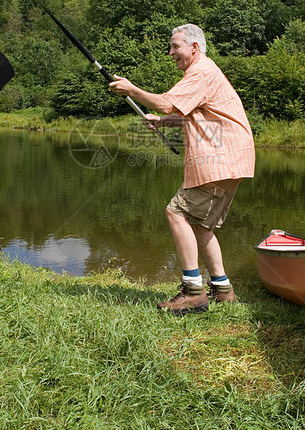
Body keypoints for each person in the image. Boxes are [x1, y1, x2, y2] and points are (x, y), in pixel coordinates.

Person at [109, 24, 255, 316]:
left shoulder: (200, 71)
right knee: (201, 225)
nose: (171, 52)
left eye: (175, 46)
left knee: (176, 213)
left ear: (194, 47)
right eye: (171, 46)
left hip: (220, 158)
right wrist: (164, 123)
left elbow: (166, 104)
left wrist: (132, 89)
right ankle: (223, 290)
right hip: (231, 159)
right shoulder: (206, 72)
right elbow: (196, 117)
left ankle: (192, 292)